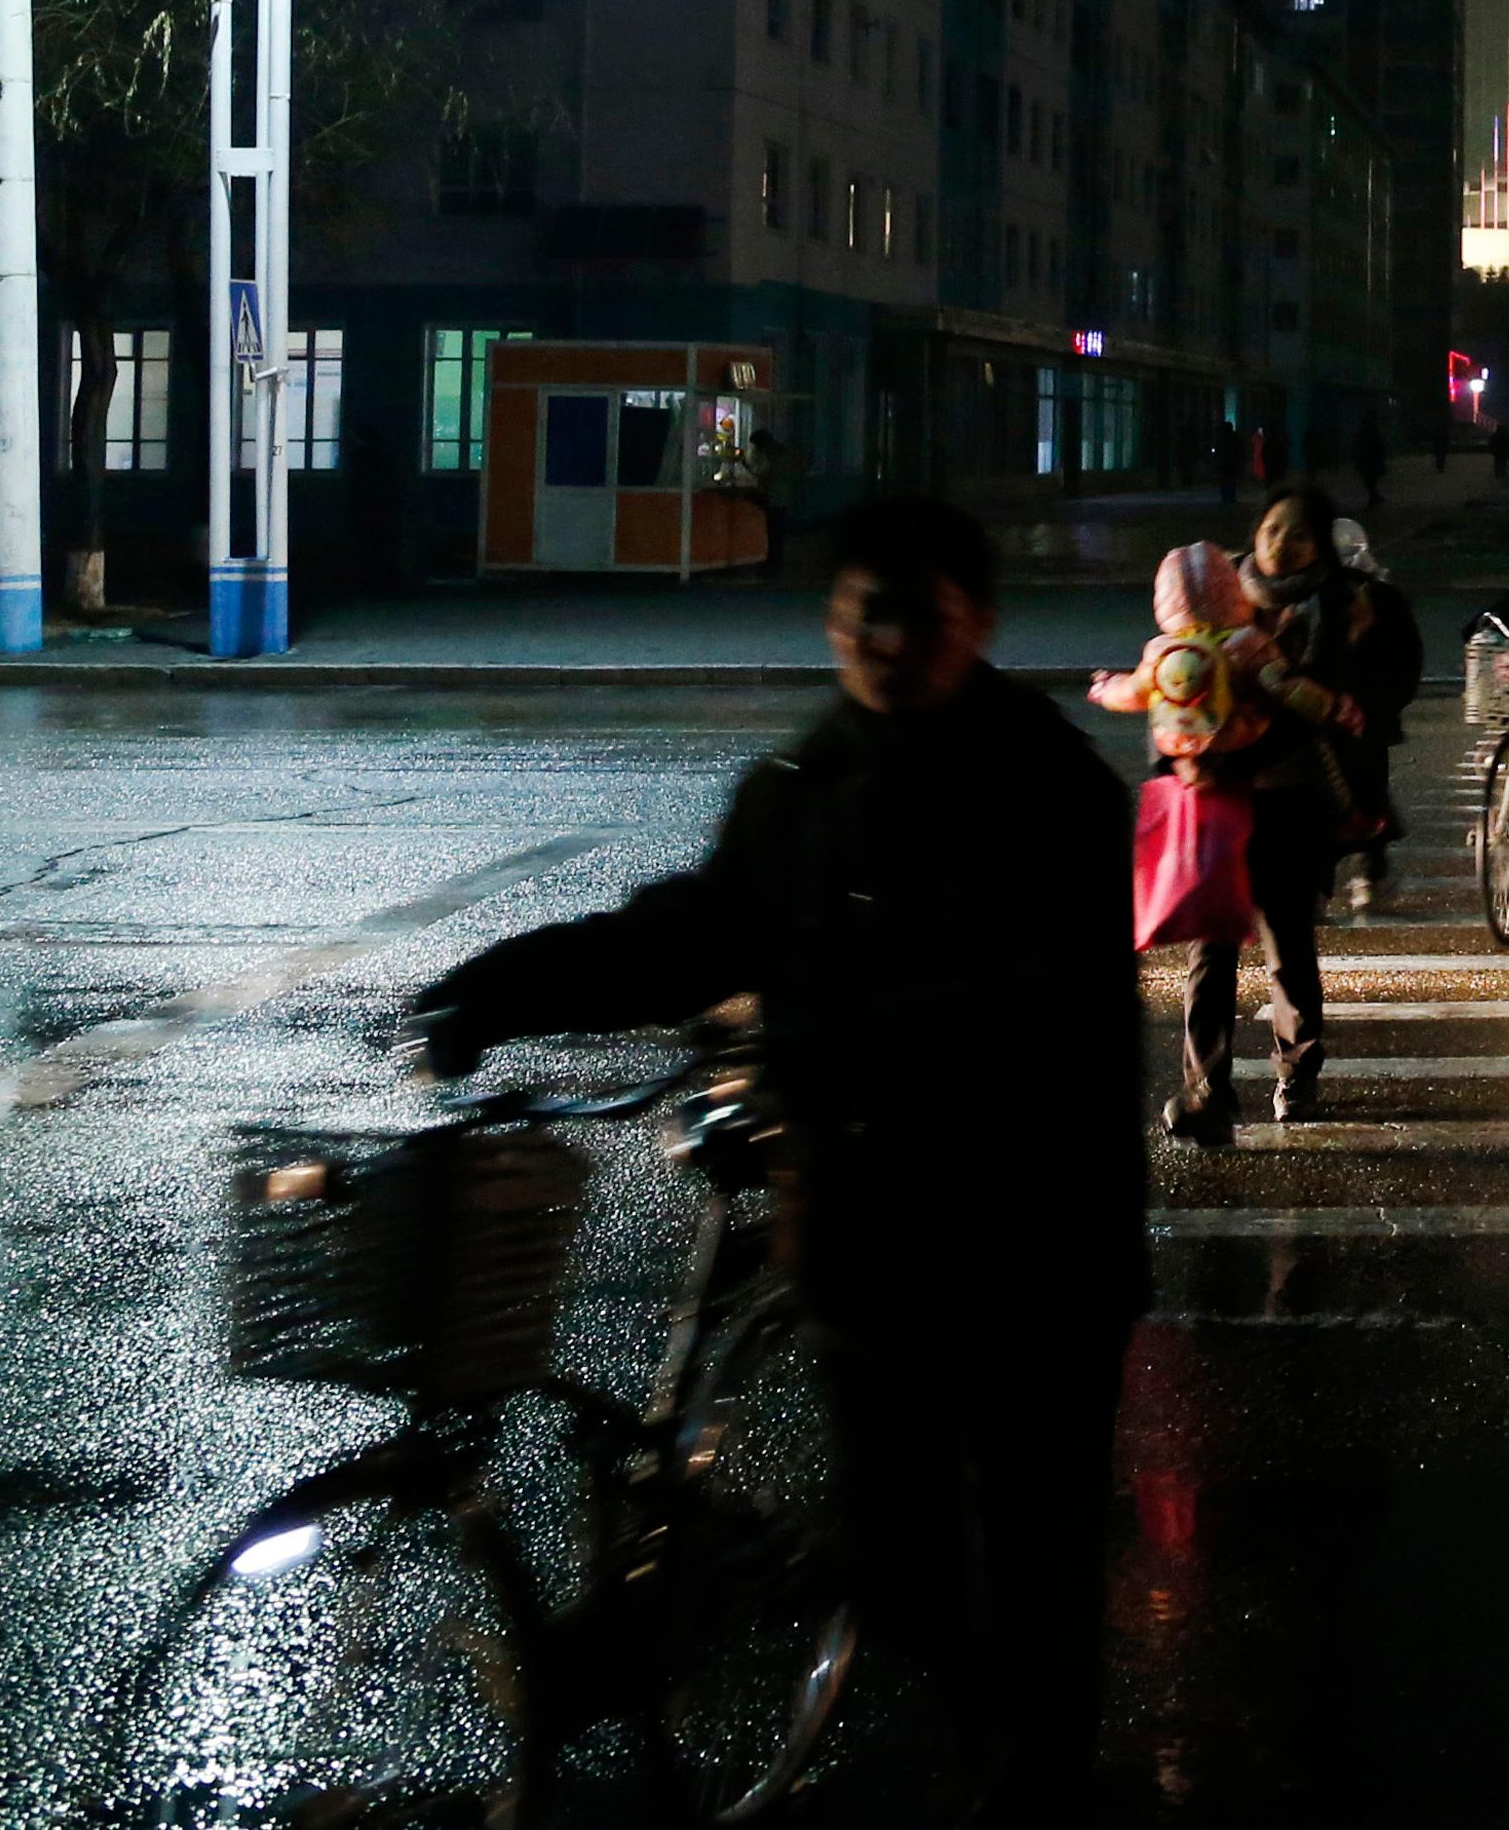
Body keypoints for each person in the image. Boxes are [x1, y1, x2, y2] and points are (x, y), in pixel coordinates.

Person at [408, 498, 1132, 1818]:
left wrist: (829, 1045)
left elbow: (1043, 1003)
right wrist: (503, 988)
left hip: (1032, 1261)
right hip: (875, 1254)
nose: (886, 636)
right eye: (864, 606)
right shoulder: (805, 790)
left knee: (1027, 1588)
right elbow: (688, 934)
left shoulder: (1050, 792)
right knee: (907, 1573)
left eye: (918, 610)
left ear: (976, 626)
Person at [1096, 539, 1366, 1140]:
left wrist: (1106, 690)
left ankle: (1213, 1089)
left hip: (1230, 815)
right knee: (1278, 946)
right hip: (1265, 813)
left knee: (1220, 954)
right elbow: (1296, 701)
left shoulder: (1167, 653)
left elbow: (1138, 700)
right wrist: (1333, 709)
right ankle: (1275, 1079)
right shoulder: (1252, 646)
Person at [1247, 484, 1424, 922]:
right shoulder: (1230, 592)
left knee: (1296, 913)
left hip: (1338, 743)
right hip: (1256, 757)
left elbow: (1402, 662)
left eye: (1299, 535)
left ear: (1322, 543)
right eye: (1272, 530)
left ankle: (1364, 868)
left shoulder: (1359, 597)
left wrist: (1362, 708)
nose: (1281, 545)